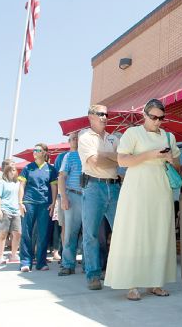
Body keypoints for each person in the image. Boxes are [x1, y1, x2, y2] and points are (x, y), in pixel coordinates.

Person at [105, 98, 179, 300]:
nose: (157, 121)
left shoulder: (169, 137)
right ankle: (132, 284)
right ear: (144, 115)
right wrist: (150, 155)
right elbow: (122, 160)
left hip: (161, 188)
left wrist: (170, 159)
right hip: (137, 188)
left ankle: (156, 283)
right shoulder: (132, 133)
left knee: (159, 233)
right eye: (153, 117)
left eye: (161, 118)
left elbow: (178, 167)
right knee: (136, 233)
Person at [78, 104, 121, 290]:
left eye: (106, 114)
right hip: (93, 186)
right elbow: (94, 161)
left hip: (114, 186)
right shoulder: (85, 137)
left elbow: (123, 159)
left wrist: (107, 156)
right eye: (100, 114)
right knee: (91, 234)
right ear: (90, 116)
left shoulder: (113, 138)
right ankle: (93, 275)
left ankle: (121, 273)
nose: (104, 117)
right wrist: (113, 158)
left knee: (121, 232)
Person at [17, 143, 58, 272]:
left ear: (44, 153)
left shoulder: (51, 170)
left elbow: (54, 187)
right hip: (29, 202)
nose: (35, 152)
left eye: (38, 150)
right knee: (26, 233)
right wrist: (20, 202)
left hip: (45, 204)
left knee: (43, 233)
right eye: (34, 150)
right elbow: (21, 185)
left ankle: (41, 262)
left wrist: (54, 203)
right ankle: (25, 262)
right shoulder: (28, 168)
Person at [57, 131, 83, 276]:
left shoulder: (88, 154)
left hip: (89, 196)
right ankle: (67, 264)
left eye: (77, 138)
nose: (75, 140)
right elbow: (61, 177)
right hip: (73, 195)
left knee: (89, 234)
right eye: (72, 139)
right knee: (70, 233)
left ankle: (88, 265)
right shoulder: (68, 156)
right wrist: (64, 198)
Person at [0, 162, 21, 264]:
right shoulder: (2, 182)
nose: (12, 172)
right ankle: (0, 256)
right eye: (10, 170)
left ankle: (13, 255)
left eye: (14, 170)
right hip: (5, 209)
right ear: (6, 172)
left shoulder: (18, 183)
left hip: (16, 210)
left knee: (18, 233)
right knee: (3, 233)